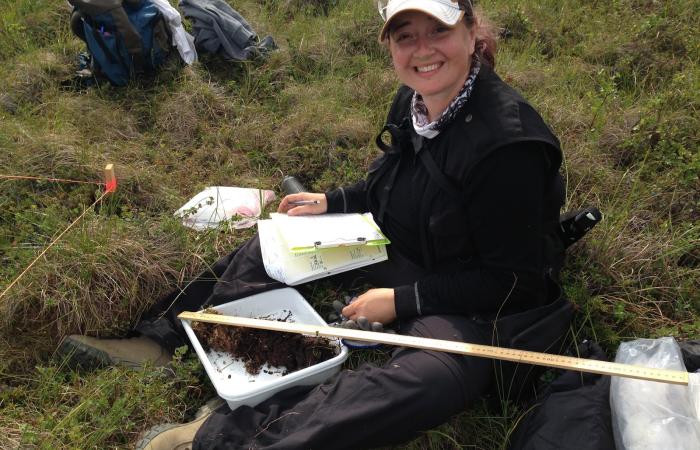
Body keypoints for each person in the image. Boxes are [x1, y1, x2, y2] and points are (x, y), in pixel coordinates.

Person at [60, 0, 574, 448]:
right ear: (390, 45)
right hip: (395, 248)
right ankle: (160, 339)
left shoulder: (509, 148)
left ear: (469, 30)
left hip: (470, 300)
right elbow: (390, 186)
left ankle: (228, 437)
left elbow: (514, 280)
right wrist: (331, 201)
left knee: (433, 380)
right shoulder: (415, 98)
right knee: (273, 243)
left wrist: (402, 302)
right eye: (405, 36)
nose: (423, 50)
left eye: (438, 30)